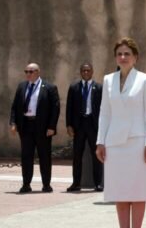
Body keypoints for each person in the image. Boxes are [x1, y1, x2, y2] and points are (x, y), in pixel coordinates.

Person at [95, 38, 146, 228]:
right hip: (114, 143)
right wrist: (100, 141)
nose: (123, 57)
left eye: (127, 54)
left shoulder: (145, 80)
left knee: (137, 192)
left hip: (138, 142)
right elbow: (104, 113)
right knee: (120, 193)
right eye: (119, 54)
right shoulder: (108, 80)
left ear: (135, 57)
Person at [9, 62, 60, 193]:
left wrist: (51, 126)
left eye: (31, 72)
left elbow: (55, 109)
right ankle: (26, 184)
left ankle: (46, 184)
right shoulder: (22, 86)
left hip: (42, 127)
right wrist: (13, 123)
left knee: (44, 156)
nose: (28, 74)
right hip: (25, 125)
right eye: (26, 71)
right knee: (26, 156)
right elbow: (15, 107)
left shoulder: (49, 87)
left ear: (38, 72)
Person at [65, 62, 103, 192]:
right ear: (80, 72)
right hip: (79, 125)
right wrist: (69, 125)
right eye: (83, 71)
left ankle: (98, 183)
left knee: (96, 155)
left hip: (93, 125)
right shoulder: (74, 87)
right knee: (77, 155)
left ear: (92, 72)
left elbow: (103, 109)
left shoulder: (98, 88)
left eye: (88, 71)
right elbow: (69, 107)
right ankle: (76, 183)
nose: (86, 73)